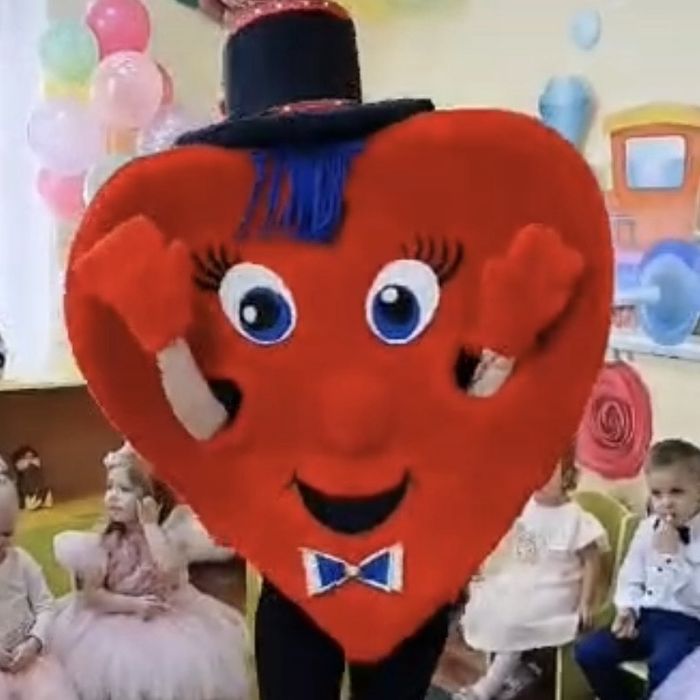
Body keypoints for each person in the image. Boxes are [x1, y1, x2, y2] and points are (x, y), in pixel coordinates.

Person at [49, 456, 249, 700]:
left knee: (176, 668)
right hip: (114, 617)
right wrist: (133, 605)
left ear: (149, 500)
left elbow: (169, 571)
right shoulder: (104, 543)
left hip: (166, 617)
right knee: (121, 669)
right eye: (109, 487)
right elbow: (92, 596)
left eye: (124, 490)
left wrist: (150, 526)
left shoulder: (165, 539)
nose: (112, 496)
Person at [456, 450, 608, 699]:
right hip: (528, 577)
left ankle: (487, 687)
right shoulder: (526, 506)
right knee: (489, 600)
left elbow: (592, 561)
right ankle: (511, 668)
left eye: (547, 472)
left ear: (566, 476)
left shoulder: (574, 518)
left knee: (517, 615)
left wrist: (586, 601)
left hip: (557, 586)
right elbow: (513, 543)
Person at [576, 439, 700, 700]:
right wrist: (627, 609)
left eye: (676, 492)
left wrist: (673, 558)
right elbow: (630, 575)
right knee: (589, 651)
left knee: (665, 666)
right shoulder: (648, 529)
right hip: (645, 617)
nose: (666, 503)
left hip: (687, 623)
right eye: (657, 494)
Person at [0, 476, 77, 700]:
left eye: (7, 534)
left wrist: (34, 642)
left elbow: (45, 605)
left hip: (29, 661)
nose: (1, 541)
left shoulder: (21, 561)